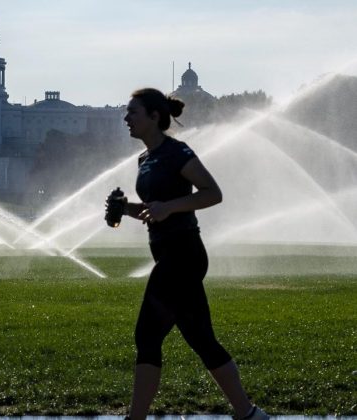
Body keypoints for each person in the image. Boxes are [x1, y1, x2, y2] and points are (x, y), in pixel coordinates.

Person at [111, 88, 268, 420]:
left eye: (133, 112)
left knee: (147, 334)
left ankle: (135, 418)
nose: (126, 118)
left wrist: (169, 207)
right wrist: (126, 209)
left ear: (155, 117)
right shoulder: (145, 159)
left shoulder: (177, 152)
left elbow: (213, 193)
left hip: (182, 255)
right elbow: (157, 210)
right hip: (169, 253)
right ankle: (249, 413)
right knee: (201, 339)